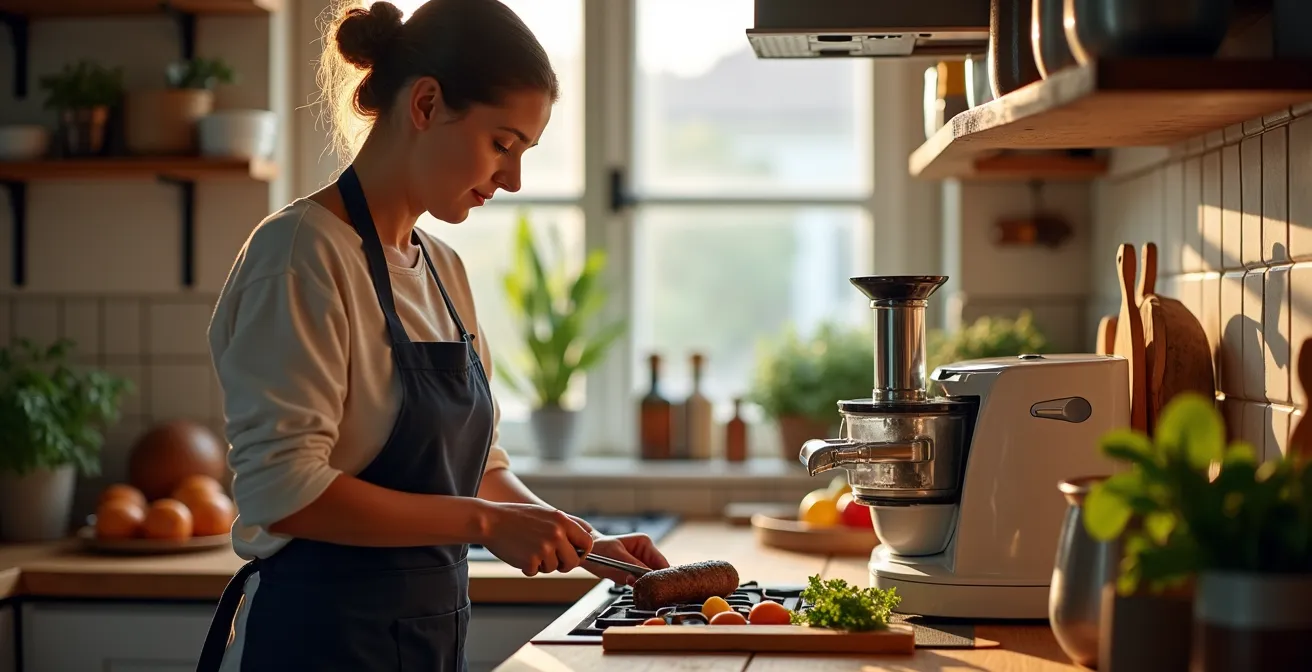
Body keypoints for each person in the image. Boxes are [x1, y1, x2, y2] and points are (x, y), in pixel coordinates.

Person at [194, 1, 669, 669]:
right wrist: (484, 523)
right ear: (424, 104)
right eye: (502, 143)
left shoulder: (443, 269)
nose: (513, 178)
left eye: (524, 152)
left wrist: (585, 542)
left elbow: (480, 466)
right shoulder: (301, 254)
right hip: (323, 641)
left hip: (425, 639)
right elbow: (285, 491)